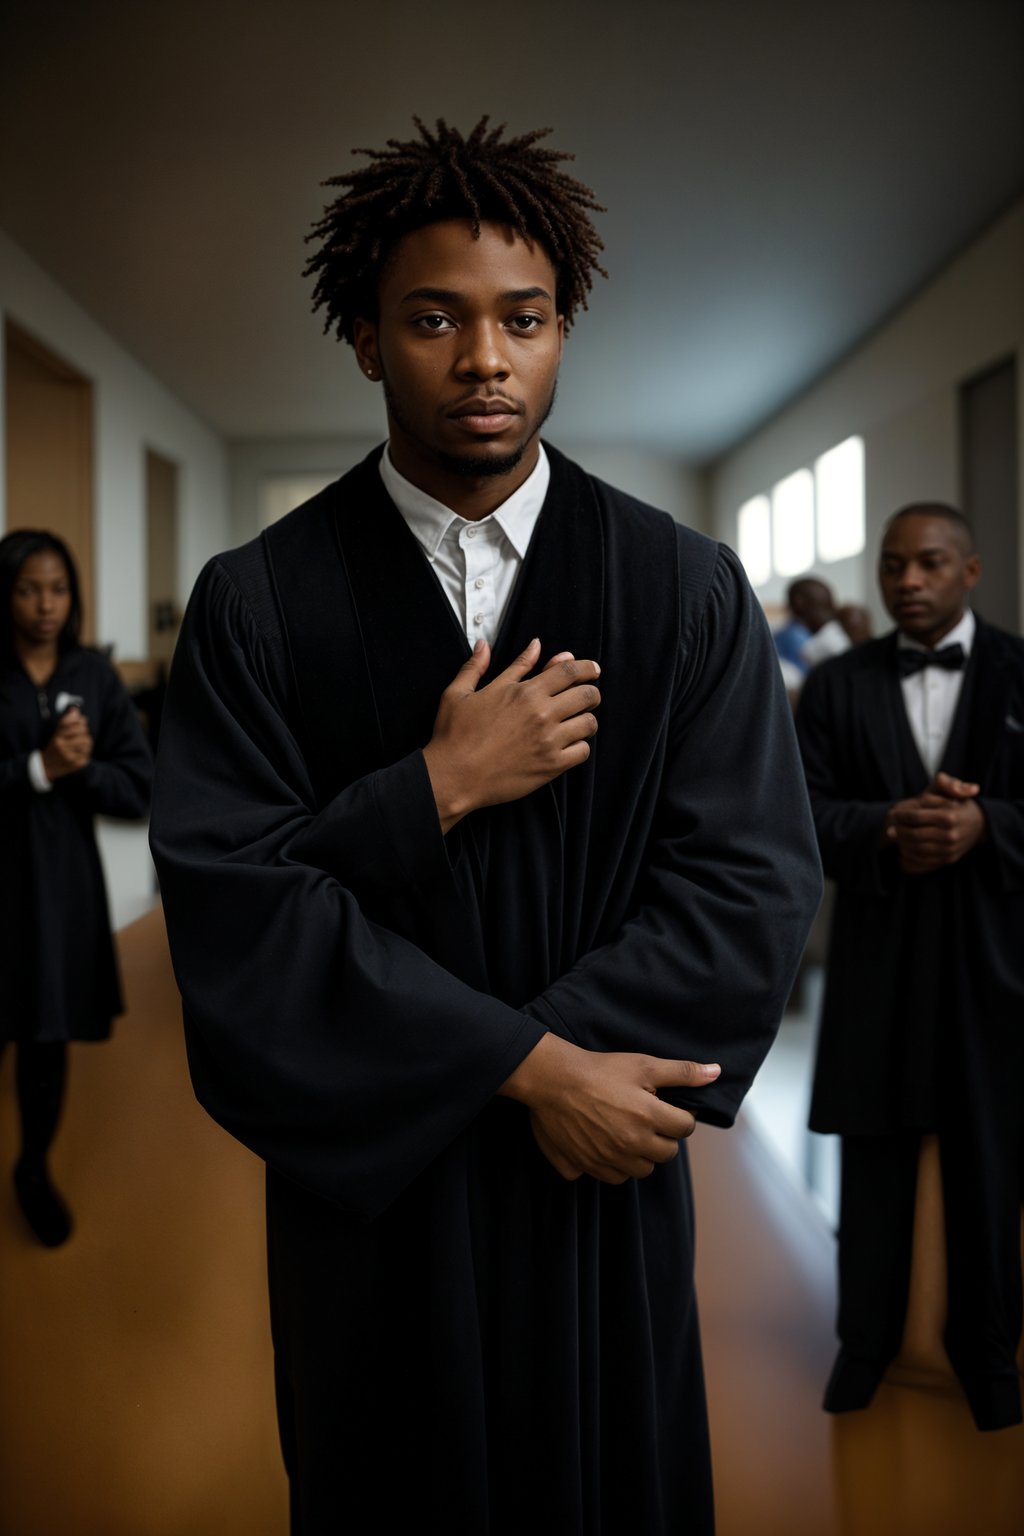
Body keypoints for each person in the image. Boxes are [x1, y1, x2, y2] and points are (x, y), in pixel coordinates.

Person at [150, 116, 822, 1533]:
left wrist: (580, 1084)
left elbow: (748, 888)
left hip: (597, 1186)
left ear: (563, 325)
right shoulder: (258, 603)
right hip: (372, 1209)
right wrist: (437, 799)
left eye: (523, 319)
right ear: (364, 338)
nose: (483, 361)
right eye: (433, 319)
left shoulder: (685, 591)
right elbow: (235, 913)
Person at [796, 503, 1024, 1433]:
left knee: (989, 1165)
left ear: (969, 572)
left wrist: (989, 825)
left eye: (930, 564)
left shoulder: (1020, 668)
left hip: (997, 966)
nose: (909, 583)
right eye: (894, 566)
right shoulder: (838, 684)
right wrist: (891, 824)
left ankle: (990, 1359)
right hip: (879, 960)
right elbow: (799, 814)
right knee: (875, 1161)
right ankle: (865, 1345)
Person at [0, 529, 152, 1246]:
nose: (44, 605)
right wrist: (39, 770)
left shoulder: (92, 675)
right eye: (29, 588)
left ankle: (32, 1166)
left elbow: (137, 788)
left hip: (59, 890)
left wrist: (82, 770)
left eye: (58, 588)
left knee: (45, 1034)